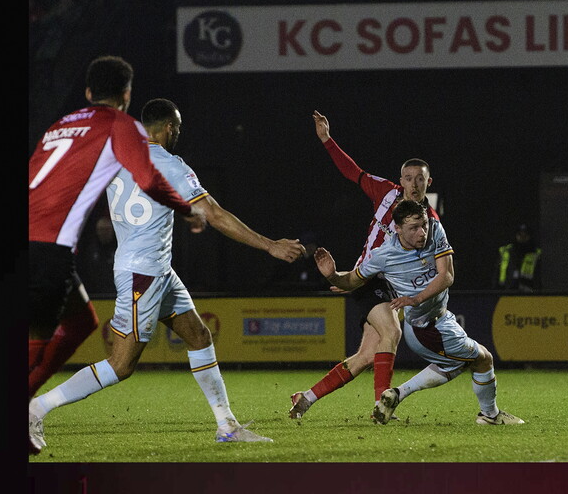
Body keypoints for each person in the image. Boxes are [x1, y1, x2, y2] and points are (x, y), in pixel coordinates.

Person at [28, 98, 308, 453]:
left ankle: (227, 426)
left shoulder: (117, 157)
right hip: (142, 273)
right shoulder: (169, 163)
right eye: (178, 128)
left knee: (199, 336)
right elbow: (214, 214)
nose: (179, 134)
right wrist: (270, 245)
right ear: (170, 128)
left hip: (157, 270)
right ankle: (36, 408)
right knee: (121, 365)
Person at [28, 56, 207, 454]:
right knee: (49, 347)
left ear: (88, 92)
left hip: (42, 245)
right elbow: (148, 179)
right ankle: (27, 408)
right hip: (46, 249)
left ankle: (29, 405)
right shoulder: (120, 125)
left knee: (83, 323)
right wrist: (186, 209)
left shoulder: (61, 125)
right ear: (126, 95)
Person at [288, 110, 440, 422]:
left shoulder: (431, 223)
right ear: (401, 180)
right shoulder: (385, 192)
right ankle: (382, 406)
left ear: (428, 182)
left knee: (367, 356)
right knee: (392, 331)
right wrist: (327, 140)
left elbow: (431, 265)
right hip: (369, 279)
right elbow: (353, 172)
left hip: (390, 287)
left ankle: (306, 398)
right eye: (408, 178)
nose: (413, 184)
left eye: (420, 179)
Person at [315, 199, 524, 426]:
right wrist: (333, 276)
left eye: (423, 224)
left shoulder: (434, 229)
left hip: (441, 319)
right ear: (397, 229)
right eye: (413, 228)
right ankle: (489, 415)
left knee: (459, 363)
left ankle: (398, 394)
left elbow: (447, 276)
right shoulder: (383, 255)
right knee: (483, 359)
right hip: (426, 329)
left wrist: (416, 298)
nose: (422, 232)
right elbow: (351, 281)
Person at [494, 223, 542, 292]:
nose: (522, 237)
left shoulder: (536, 253)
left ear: (530, 236)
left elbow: (538, 276)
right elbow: (497, 273)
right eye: (520, 234)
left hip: (528, 292)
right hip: (506, 292)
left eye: (525, 235)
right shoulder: (506, 251)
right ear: (516, 235)